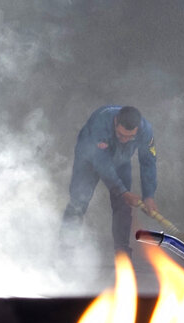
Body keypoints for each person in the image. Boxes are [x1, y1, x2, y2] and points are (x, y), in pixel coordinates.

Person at [60, 105, 158, 256]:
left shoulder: (146, 131)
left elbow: (148, 162)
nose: (125, 140)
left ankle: (123, 253)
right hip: (89, 158)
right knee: (79, 201)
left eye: (130, 137)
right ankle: (65, 250)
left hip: (121, 161)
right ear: (115, 121)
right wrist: (123, 191)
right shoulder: (100, 123)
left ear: (137, 129)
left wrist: (149, 195)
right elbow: (101, 163)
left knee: (124, 207)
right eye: (120, 135)